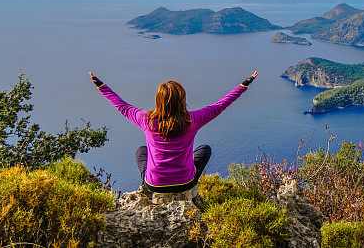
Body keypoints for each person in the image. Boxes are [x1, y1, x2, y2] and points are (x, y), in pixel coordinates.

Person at [89, 70, 257, 193]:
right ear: (182, 100)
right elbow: (219, 106)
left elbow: (123, 107)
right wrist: (244, 84)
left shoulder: (146, 119)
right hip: (185, 183)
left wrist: (101, 85)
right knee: (204, 150)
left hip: (154, 184)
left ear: (158, 101)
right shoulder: (192, 120)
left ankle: (144, 181)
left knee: (141, 151)